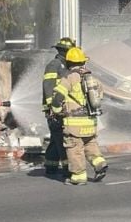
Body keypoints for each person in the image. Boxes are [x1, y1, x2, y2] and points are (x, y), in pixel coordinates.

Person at [49, 47, 108, 185]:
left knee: (74, 149)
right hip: (90, 122)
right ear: (83, 62)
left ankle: (78, 176)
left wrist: (56, 111)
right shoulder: (92, 79)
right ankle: (99, 163)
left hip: (74, 124)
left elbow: (57, 98)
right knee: (90, 144)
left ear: (68, 63)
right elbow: (99, 97)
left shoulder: (69, 78)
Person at [42, 37, 75, 174]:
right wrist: (52, 107)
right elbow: (48, 86)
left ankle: (51, 165)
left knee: (56, 138)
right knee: (61, 138)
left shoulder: (65, 65)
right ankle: (68, 168)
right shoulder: (54, 65)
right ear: (64, 51)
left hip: (61, 108)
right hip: (55, 109)